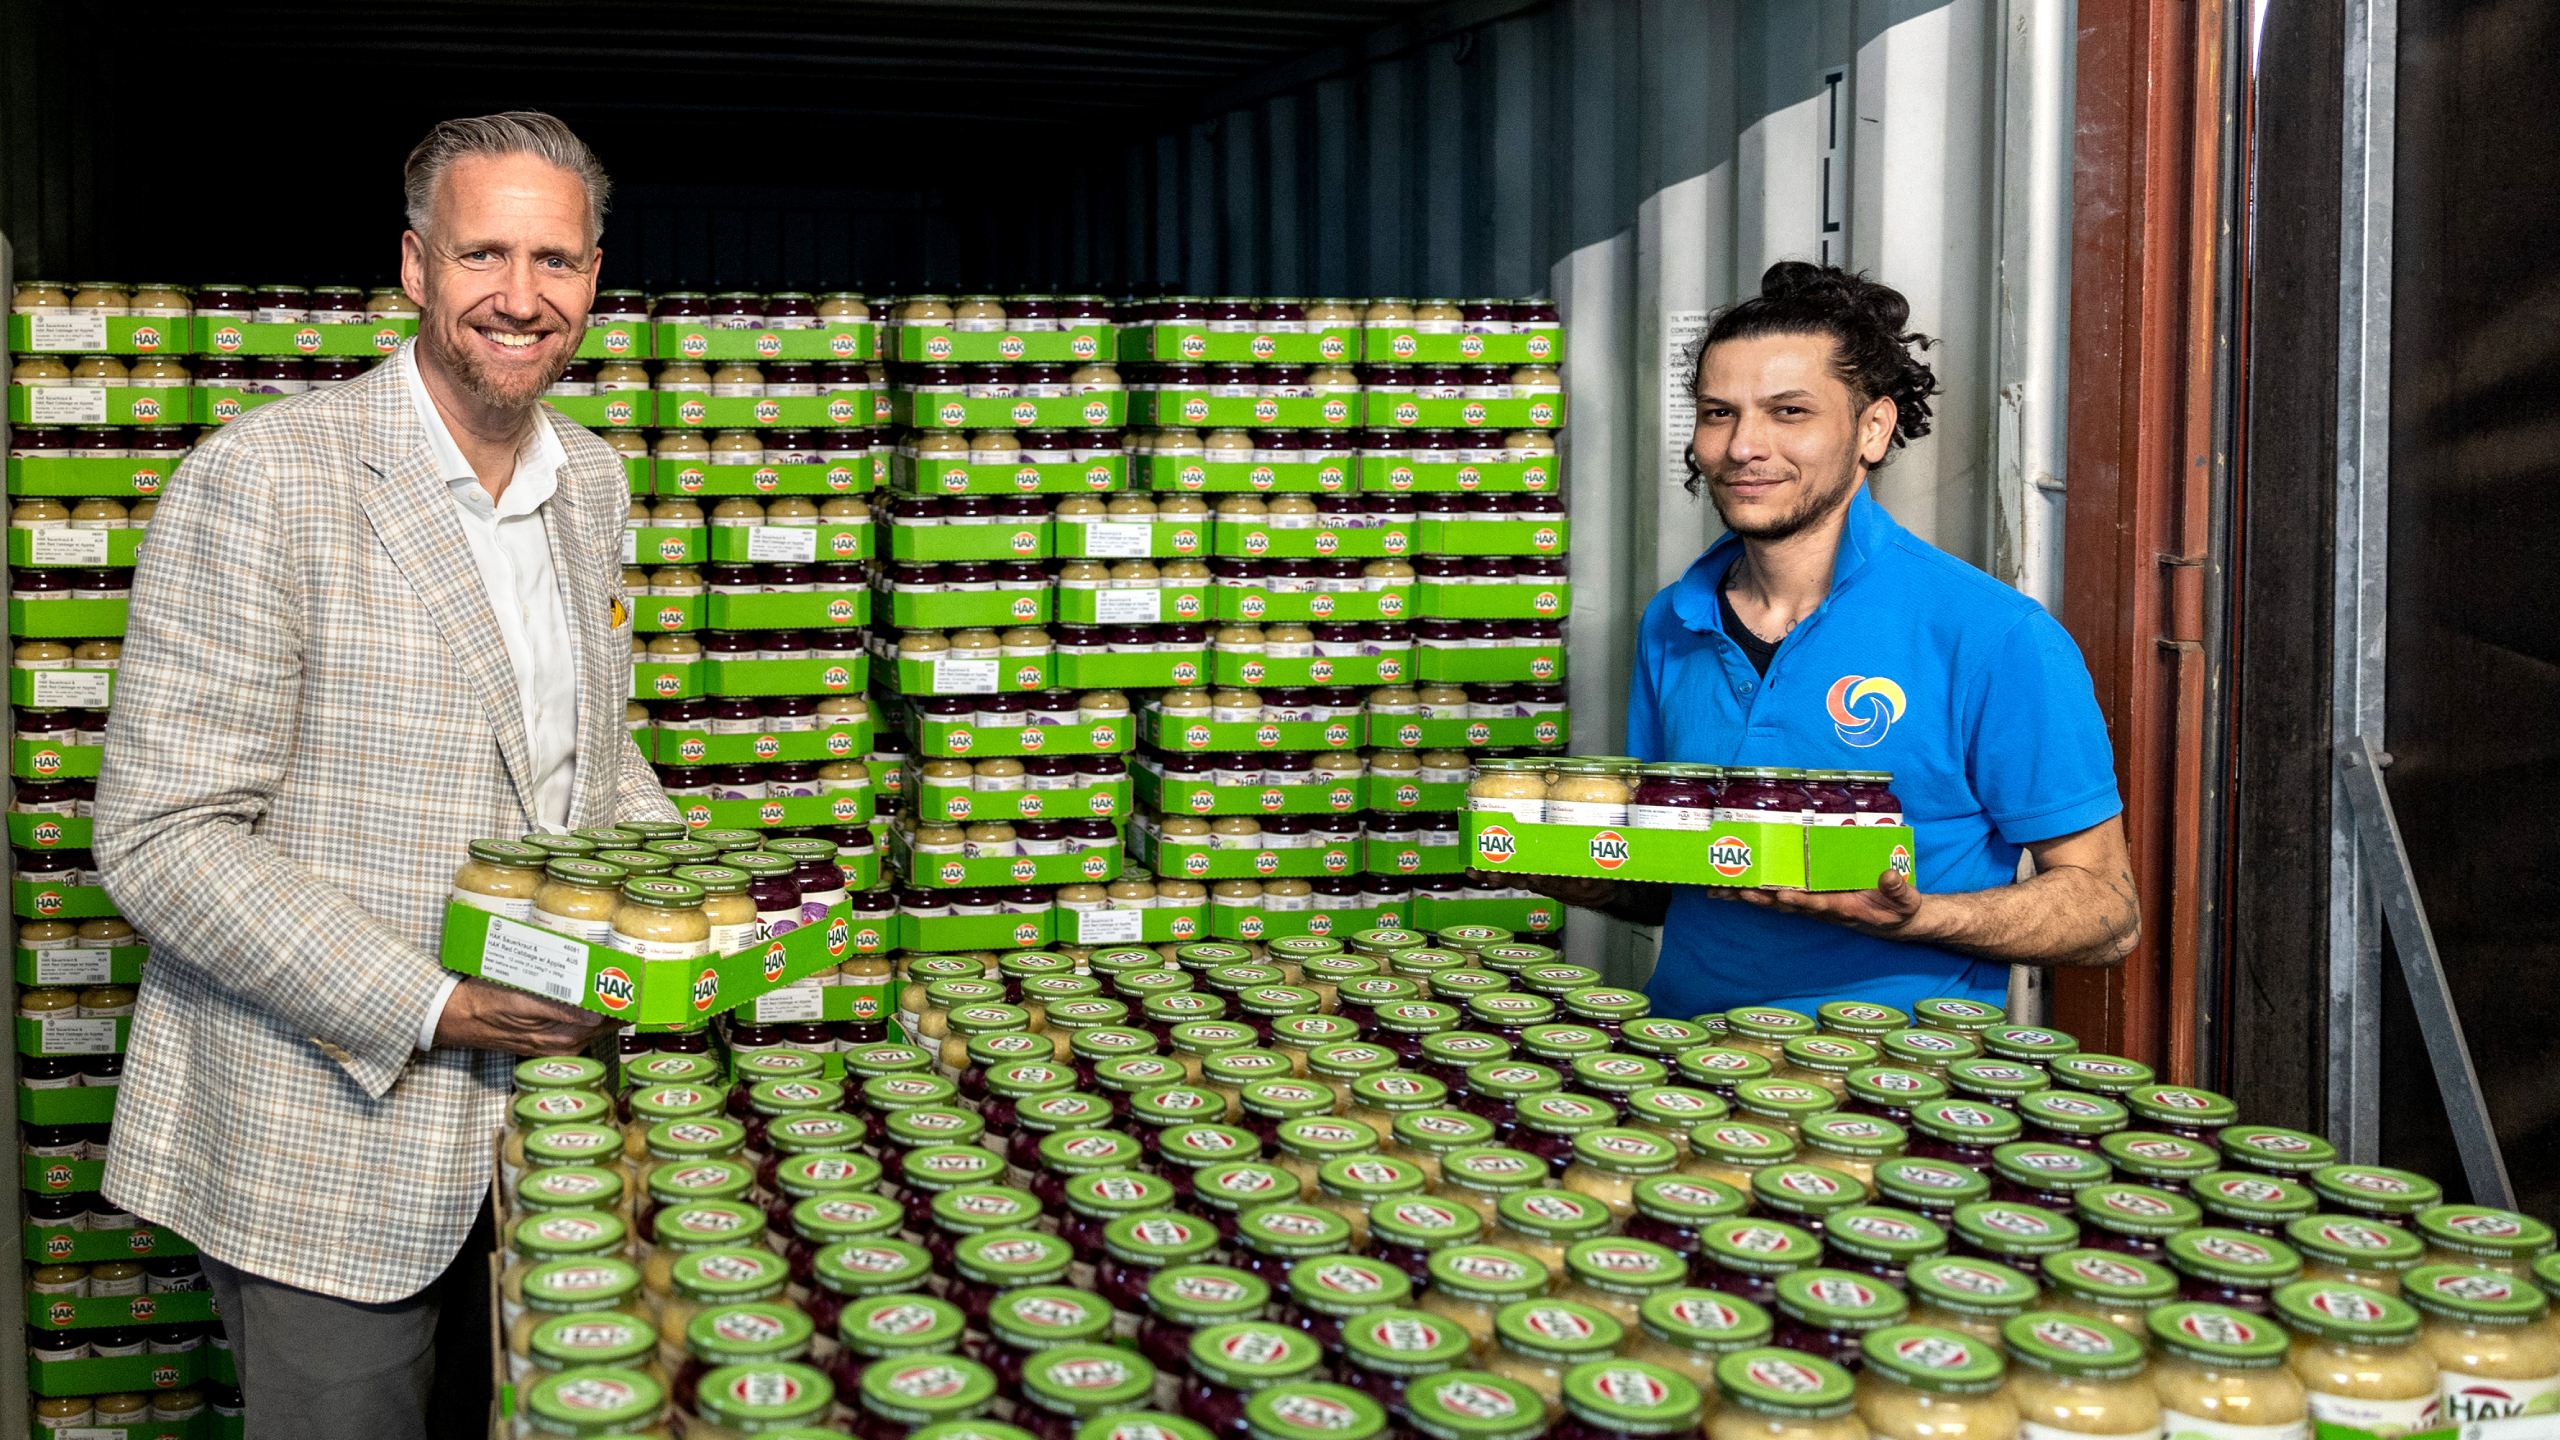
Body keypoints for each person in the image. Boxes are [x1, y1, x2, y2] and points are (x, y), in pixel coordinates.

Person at [91, 112, 670, 1437]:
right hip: (329, 1140)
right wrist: (433, 1004)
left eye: (557, 262)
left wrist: (701, 891)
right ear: (414, 267)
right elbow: (166, 836)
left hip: (553, 1132)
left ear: (594, 279)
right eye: (483, 256)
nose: (520, 299)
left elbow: (579, 746)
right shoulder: (265, 480)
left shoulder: (590, 479)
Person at [1524, 262, 2138, 1016]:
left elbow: (2107, 914)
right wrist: (1556, 864)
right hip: (1680, 1068)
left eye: (1789, 412)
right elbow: (1687, 883)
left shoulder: (1991, 634)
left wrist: (1920, 917)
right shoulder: (1672, 622)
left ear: (1871, 429)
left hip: (1894, 1081)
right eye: (1719, 413)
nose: (1744, 446)